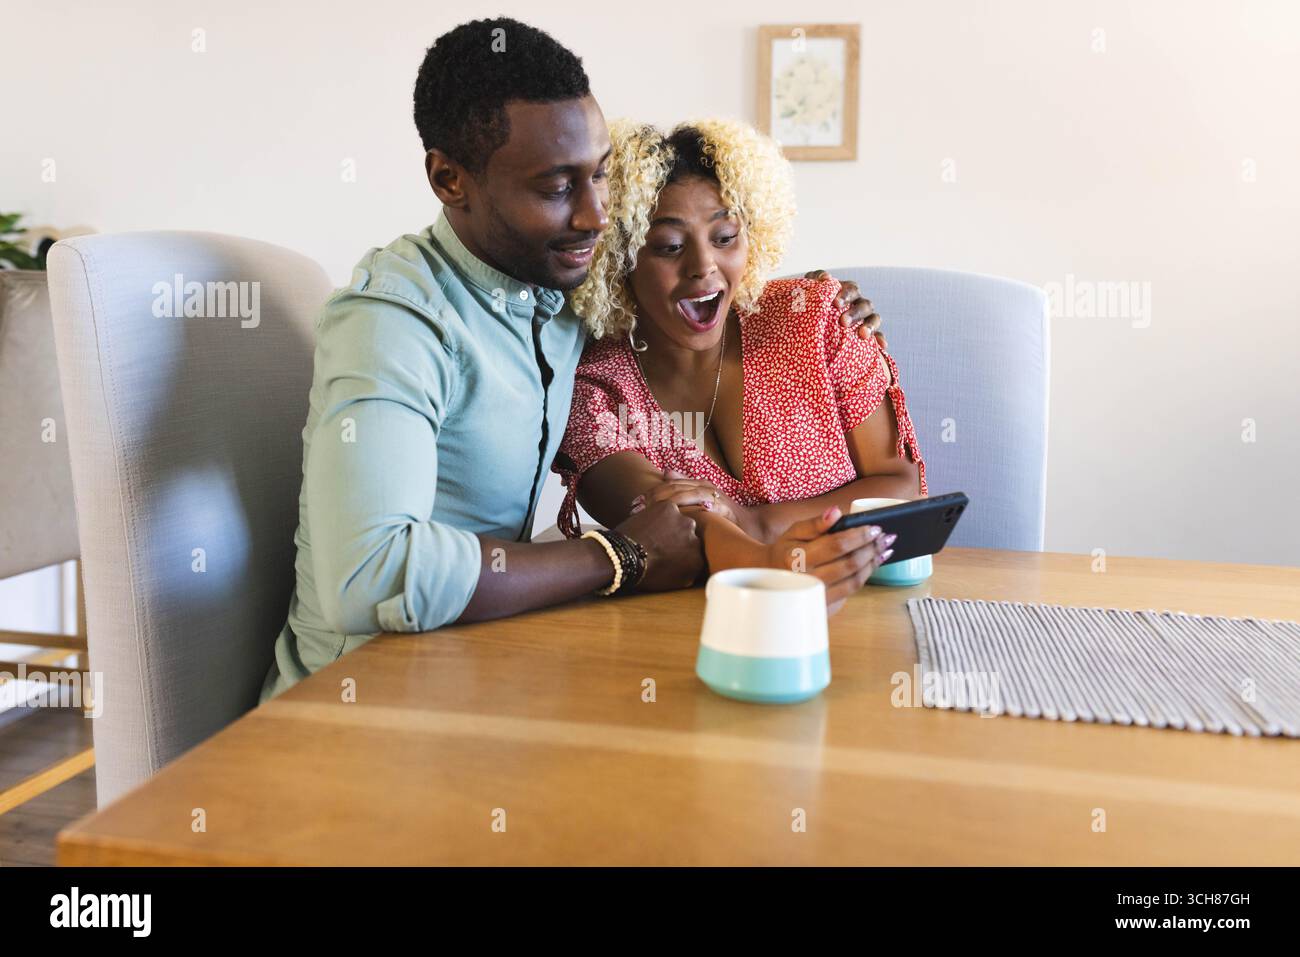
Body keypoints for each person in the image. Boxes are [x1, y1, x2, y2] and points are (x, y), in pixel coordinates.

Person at [260, 19, 888, 701]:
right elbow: (373, 574)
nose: (595, 217)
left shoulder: (561, 302)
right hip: (352, 705)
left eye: (601, 177)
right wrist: (612, 555)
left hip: (476, 669)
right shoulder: (395, 319)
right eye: (557, 188)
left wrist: (810, 304)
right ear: (449, 179)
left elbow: (684, 290)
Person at [555, 119, 928, 614]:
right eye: (668, 246)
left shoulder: (813, 319)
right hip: (697, 630)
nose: (703, 265)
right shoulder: (596, 387)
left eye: (726, 236)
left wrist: (756, 525)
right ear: (619, 260)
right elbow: (667, 523)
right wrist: (768, 557)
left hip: (874, 606)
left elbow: (901, 484)